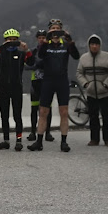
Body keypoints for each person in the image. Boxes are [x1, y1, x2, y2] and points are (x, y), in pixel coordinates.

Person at [28, 20, 80, 152]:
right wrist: (46, 40)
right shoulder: (46, 44)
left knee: (63, 112)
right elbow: (40, 55)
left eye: (58, 29)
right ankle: (39, 141)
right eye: (53, 29)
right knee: (43, 112)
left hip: (62, 81)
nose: (55, 31)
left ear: (62, 31)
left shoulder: (66, 44)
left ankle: (64, 142)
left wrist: (70, 40)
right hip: (48, 81)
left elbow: (76, 56)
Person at [0, 29, 34, 151]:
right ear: (5, 41)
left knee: (17, 115)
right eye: (9, 40)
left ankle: (19, 140)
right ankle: (6, 140)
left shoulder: (21, 54)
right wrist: (1, 47)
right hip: (3, 87)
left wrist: (27, 50)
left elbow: (31, 62)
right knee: (4, 115)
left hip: (16, 87)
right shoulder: (1, 53)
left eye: (15, 40)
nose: (12, 42)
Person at [75, 34, 108, 146]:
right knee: (93, 116)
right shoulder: (84, 58)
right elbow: (79, 73)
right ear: (89, 45)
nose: (94, 46)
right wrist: (85, 84)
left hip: (105, 92)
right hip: (91, 92)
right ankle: (94, 139)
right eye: (92, 44)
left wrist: (106, 84)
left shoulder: (107, 56)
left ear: (100, 45)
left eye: (96, 44)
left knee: (107, 116)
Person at [28, 29, 54, 142]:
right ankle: (33, 132)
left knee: (48, 109)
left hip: (48, 81)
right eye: (40, 38)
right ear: (37, 39)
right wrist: (38, 65)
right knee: (34, 108)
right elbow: (28, 65)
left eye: (44, 37)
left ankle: (47, 132)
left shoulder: (51, 49)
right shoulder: (34, 51)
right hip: (35, 82)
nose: (42, 39)